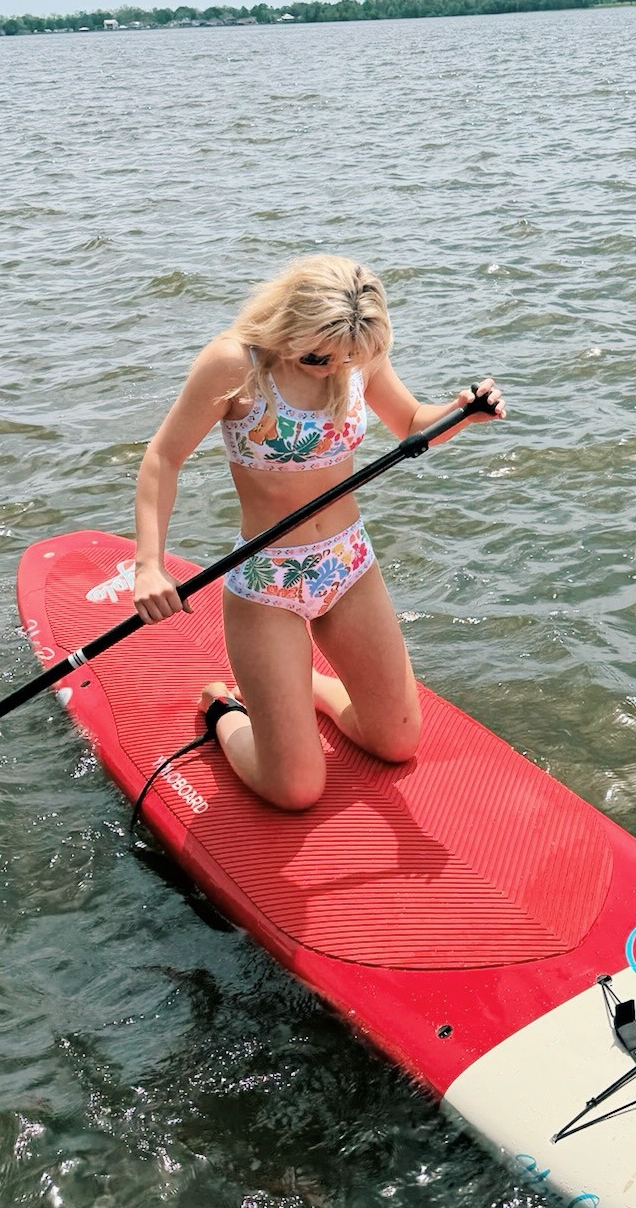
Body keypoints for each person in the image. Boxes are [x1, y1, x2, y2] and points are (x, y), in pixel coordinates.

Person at [131, 256, 504, 809]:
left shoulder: (354, 352)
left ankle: (299, 688)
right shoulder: (235, 363)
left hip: (348, 564)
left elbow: (409, 423)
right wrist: (149, 565)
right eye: (316, 358)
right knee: (296, 789)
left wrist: (460, 413)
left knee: (397, 743)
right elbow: (163, 458)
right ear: (287, 324)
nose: (334, 369)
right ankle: (224, 708)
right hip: (268, 582)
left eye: (345, 359)